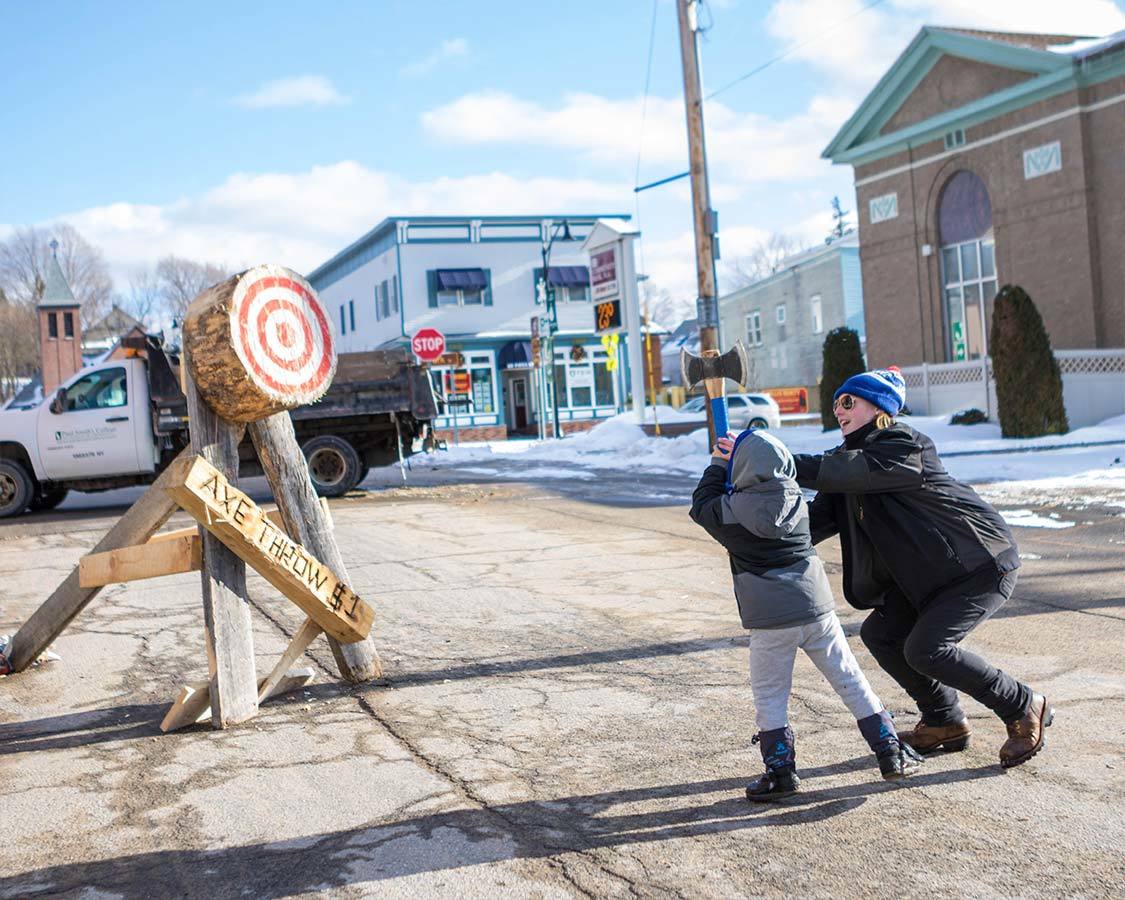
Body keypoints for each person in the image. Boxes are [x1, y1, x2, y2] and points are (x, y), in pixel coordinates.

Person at [792, 367, 1053, 768]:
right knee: (882, 633)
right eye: (835, 404)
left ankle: (1022, 704)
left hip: (978, 564)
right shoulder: (844, 468)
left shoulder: (901, 444)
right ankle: (944, 720)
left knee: (927, 648)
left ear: (880, 408)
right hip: (926, 579)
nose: (838, 411)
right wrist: (741, 518)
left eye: (848, 401)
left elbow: (855, 470)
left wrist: (779, 460)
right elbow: (805, 528)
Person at [690, 427, 921, 801]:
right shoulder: (797, 501)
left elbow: (701, 505)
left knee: (771, 695)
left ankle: (781, 772)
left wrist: (720, 463)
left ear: (742, 469)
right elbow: (770, 480)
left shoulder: (728, 512)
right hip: (816, 610)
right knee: (850, 678)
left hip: (770, 621)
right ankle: (890, 751)